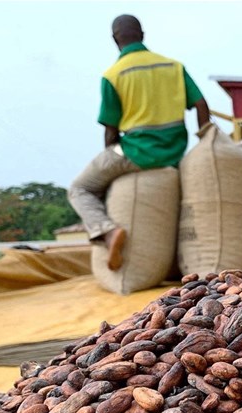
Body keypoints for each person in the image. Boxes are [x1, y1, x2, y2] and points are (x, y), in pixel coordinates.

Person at [68, 14, 209, 271]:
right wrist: (204, 143)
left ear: (114, 40)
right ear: (142, 34)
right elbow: (201, 105)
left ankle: (107, 231)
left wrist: (110, 158)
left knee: (80, 188)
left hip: (134, 154)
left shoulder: (113, 75)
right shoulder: (173, 66)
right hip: (174, 152)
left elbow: (111, 132)